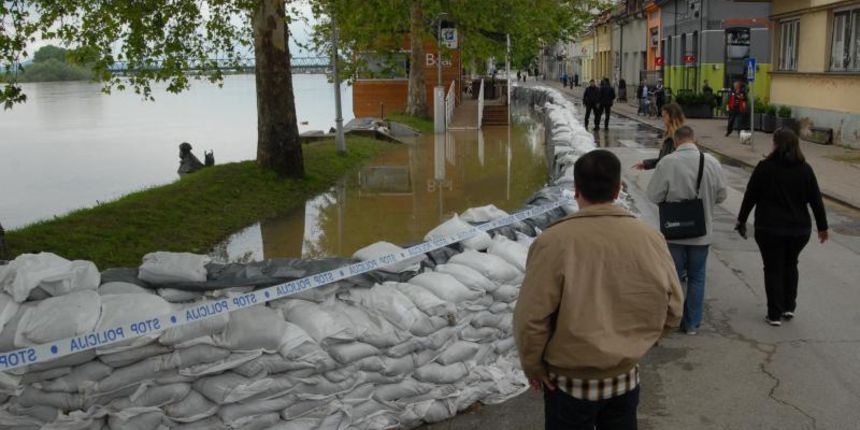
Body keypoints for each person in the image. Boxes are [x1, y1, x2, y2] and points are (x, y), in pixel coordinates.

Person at [514, 150, 683, 430]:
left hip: (568, 384)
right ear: (618, 188)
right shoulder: (650, 238)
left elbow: (531, 318)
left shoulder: (554, 242)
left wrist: (534, 367)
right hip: (625, 378)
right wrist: (638, 342)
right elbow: (674, 307)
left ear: (576, 190)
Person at [735, 128, 829, 326]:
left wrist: (741, 220)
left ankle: (774, 313)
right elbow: (816, 200)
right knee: (790, 264)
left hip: (769, 229)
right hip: (799, 230)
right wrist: (823, 227)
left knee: (772, 268)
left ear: (776, 145)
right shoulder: (805, 169)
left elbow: (750, 196)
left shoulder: (764, 167)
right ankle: (788, 306)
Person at [647, 126, 728, 335]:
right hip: (701, 233)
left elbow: (654, 195)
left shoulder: (667, 163)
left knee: (672, 278)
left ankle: (671, 320)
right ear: (695, 139)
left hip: (673, 232)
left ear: (675, 142)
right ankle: (692, 324)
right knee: (697, 277)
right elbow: (721, 196)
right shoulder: (711, 162)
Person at [634, 103, 686, 170]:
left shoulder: (675, 138)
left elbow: (668, 163)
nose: (662, 119)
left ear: (672, 118)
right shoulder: (670, 135)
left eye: (664, 116)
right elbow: (663, 160)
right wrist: (645, 164)